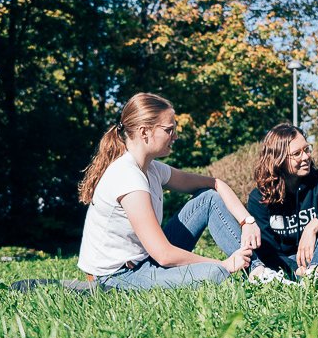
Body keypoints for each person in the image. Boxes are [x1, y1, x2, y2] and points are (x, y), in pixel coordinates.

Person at [75, 93, 263, 290]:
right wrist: (224, 265)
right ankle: (246, 270)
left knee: (207, 199)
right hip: (116, 278)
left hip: (144, 261)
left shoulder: (153, 169)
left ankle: (258, 271)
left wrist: (247, 221)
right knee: (215, 274)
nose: (175, 136)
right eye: (169, 130)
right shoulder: (127, 177)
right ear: (144, 132)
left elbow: (215, 184)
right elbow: (164, 255)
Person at [244, 124, 318, 279]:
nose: (305, 157)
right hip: (286, 264)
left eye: (306, 149)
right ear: (279, 159)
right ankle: (306, 277)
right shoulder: (260, 198)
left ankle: (314, 275)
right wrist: (294, 269)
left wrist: (313, 226)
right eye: (297, 153)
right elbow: (267, 251)